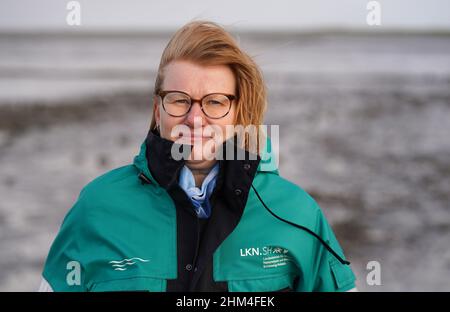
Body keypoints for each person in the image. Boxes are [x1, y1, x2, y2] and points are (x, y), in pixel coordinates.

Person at [39, 20, 357, 292]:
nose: (195, 118)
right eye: (179, 100)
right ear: (157, 109)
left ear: (237, 112)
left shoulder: (297, 215)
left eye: (215, 102)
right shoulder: (96, 210)